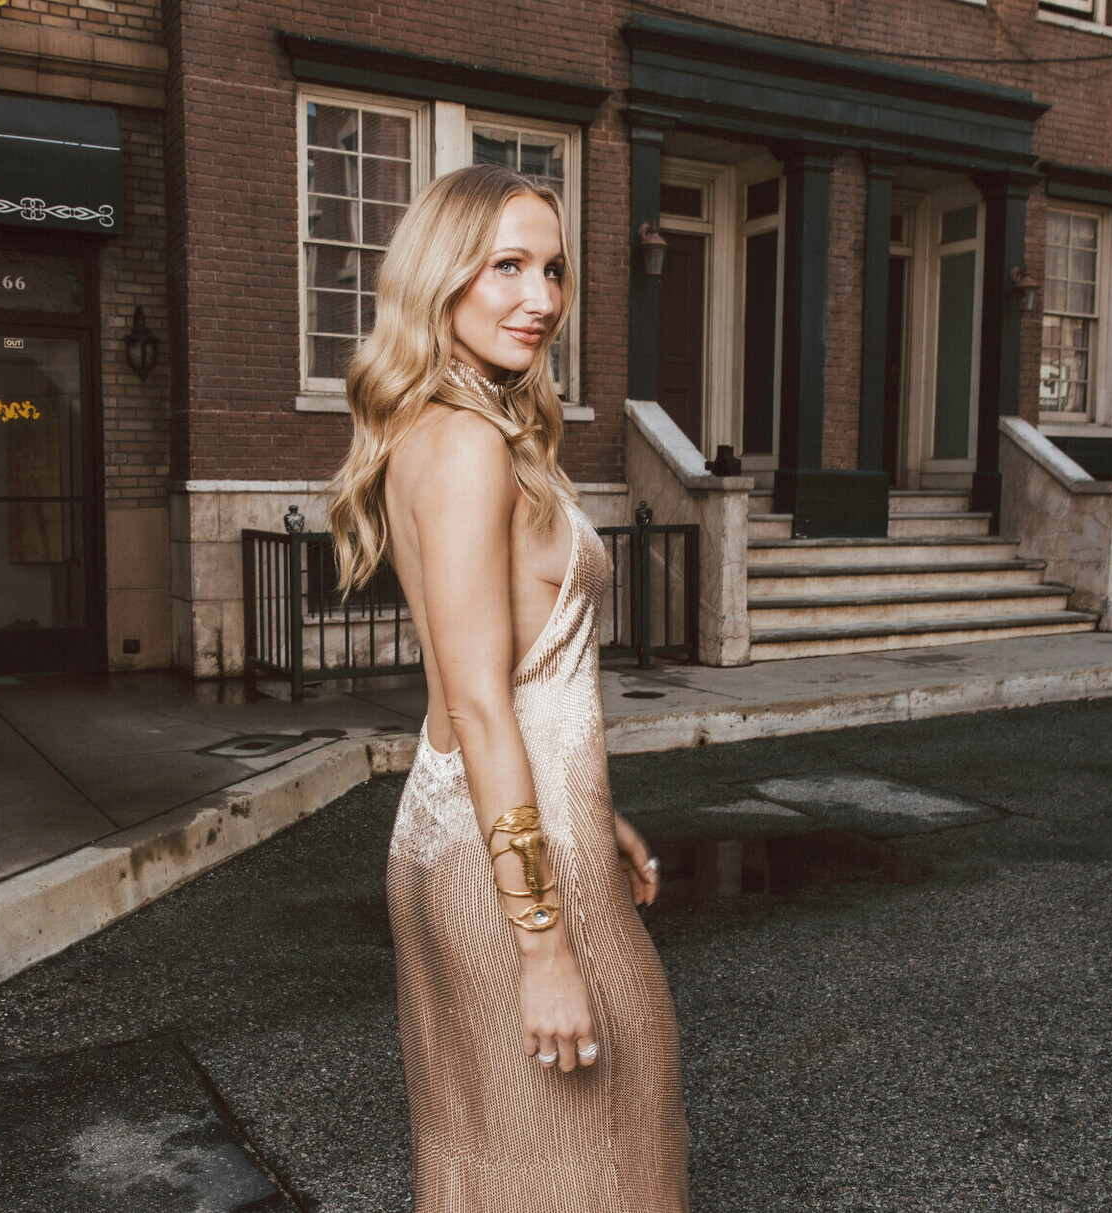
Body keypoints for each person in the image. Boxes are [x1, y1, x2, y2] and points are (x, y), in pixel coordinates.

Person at [325, 163, 692, 1211]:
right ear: (442, 277)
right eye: (508, 267)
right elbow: (479, 700)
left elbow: (502, 678)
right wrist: (542, 946)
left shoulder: (447, 428)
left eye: (555, 270)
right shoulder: (467, 442)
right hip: (509, 875)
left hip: (474, 834)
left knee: (519, 1169)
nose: (542, 298)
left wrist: (595, 809)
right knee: (602, 1168)